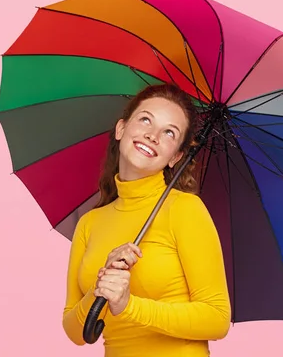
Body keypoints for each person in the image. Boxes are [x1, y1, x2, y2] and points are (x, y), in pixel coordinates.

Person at [62, 84, 231, 356]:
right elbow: (75, 332)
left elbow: (217, 317)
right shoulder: (89, 223)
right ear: (121, 129)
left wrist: (129, 306)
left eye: (169, 133)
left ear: (175, 157)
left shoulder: (185, 209)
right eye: (145, 120)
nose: (152, 135)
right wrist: (100, 287)